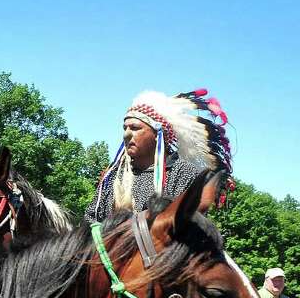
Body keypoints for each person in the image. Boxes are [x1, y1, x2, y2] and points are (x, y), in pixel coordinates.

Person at [88, 88, 233, 222]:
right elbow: (91, 219)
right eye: (124, 128)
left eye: (135, 128)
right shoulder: (114, 176)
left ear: (158, 135)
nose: (126, 134)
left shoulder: (184, 174)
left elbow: (189, 227)